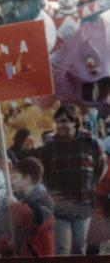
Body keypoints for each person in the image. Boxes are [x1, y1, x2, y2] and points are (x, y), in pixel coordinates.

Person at [39, 103, 107, 255]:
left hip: (83, 204)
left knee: (79, 247)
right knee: (62, 249)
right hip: (60, 207)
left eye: (64, 121)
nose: (60, 125)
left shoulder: (90, 141)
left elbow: (101, 167)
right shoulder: (50, 145)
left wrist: (90, 184)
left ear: (75, 122)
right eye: (57, 122)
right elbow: (44, 174)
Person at [0, 157, 55, 257]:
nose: (12, 182)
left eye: (15, 177)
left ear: (27, 178)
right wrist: (5, 243)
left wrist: (16, 206)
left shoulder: (44, 200)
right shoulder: (12, 199)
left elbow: (37, 221)